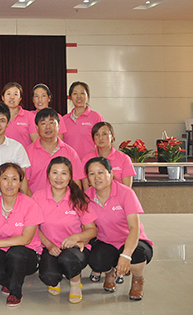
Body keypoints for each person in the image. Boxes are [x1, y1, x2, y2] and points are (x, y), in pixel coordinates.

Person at [85, 157, 152, 301]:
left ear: (110, 174)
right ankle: (110, 272)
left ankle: (138, 279)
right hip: (105, 241)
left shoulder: (126, 193)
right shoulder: (86, 197)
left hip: (131, 239)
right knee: (96, 260)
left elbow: (134, 227)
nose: (96, 177)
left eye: (100, 172)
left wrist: (126, 255)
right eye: (91, 174)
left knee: (138, 255)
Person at [32, 157, 97, 304]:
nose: (59, 177)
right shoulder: (38, 197)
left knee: (68, 260)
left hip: (75, 248)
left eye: (63, 173)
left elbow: (92, 230)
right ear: (48, 175)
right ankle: (57, 275)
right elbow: (33, 227)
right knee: (49, 277)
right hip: (51, 247)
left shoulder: (79, 199)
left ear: (70, 177)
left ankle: (75, 283)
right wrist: (49, 245)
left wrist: (76, 238)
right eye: (55, 172)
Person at [0, 163, 44, 307]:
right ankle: (12, 280)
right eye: (5, 178)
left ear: (20, 183)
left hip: (27, 253)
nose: (9, 183)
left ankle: (15, 292)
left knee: (16, 253)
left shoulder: (30, 205)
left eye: (14, 179)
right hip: (3, 251)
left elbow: (26, 238)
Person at [25, 108, 85, 195]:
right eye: (43, 123)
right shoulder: (27, 152)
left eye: (51, 122)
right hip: (35, 202)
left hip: (64, 202)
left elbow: (76, 183)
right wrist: (34, 202)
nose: (48, 127)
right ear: (37, 128)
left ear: (59, 125)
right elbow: (24, 184)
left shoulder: (70, 152)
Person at [81, 122, 135, 187]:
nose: (100, 138)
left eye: (104, 134)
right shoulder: (86, 159)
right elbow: (86, 188)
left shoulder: (124, 159)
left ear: (112, 136)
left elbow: (127, 189)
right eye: (97, 134)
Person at [63, 81, 104, 158]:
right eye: (75, 93)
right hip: (70, 162)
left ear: (87, 96)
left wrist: (87, 159)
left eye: (82, 93)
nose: (79, 96)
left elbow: (102, 142)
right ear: (70, 97)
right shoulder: (64, 119)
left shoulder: (96, 117)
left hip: (91, 162)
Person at [1, 82, 35, 147]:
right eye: (8, 94)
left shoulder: (30, 116)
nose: (12, 97)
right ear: (3, 97)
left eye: (15, 94)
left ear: (20, 98)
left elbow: (35, 141)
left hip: (24, 153)